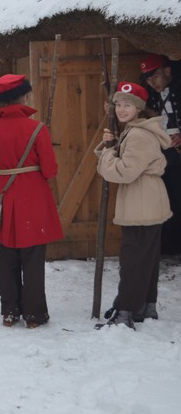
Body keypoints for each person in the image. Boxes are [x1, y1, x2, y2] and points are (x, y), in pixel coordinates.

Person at [0, 74, 63, 328]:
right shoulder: (37, 128)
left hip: (5, 195)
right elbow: (50, 171)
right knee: (32, 258)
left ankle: (9, 311)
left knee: (5, 256)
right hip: (33, 198)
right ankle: (34, 315)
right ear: (25, 96)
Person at [96, 82, 171, 329]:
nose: (121, 109)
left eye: (127, 105)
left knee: (133, 260)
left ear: (139, 108)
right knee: (145, 258)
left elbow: (126, 171)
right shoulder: (137, 130)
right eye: (118, 104)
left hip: (141, 202)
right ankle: (144, 306)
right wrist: (113, 145)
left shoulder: (138, 134)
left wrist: (108, 153)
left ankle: (125, 311)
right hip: (147, 200)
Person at [139, 54, 181, 255]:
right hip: (165, 153)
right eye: (147, 79)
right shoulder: (151, 93)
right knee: (169, 199)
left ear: (167, 71)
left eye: (154, 77)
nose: (151, 83)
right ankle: (170, 246)